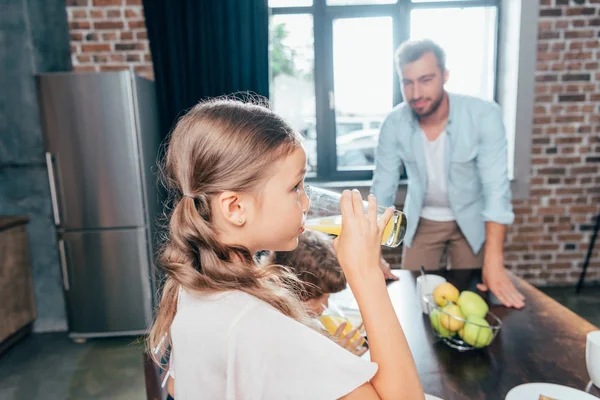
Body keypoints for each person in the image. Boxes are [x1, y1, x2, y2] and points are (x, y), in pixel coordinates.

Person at [149, 98, 424, 400]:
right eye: (295, 187)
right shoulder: (256, 325)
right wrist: (366, 275)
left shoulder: (192, 285)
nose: (306, 203)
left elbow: (178, 385)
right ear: (235, 207)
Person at [371, 39, 525, 309]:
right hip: (422, 221)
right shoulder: (394, 123)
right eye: (407, 82)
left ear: (445, 76)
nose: (416, 92)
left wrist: (494, 262)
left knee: (471, 300)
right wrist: (371, 254)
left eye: (426, 79)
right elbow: (382, 191)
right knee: (417, 301)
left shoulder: (484, 115)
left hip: (470, 220)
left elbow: (496, 191)